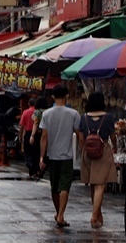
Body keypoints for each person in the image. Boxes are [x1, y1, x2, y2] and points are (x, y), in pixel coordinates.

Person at [38, 85, 81, 228]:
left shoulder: (46, 114)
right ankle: (61, 214)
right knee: (65, 186)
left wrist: (42, 157)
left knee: (54, 187)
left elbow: (44, 136)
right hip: (67, 156)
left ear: (52, 97)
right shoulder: (74, 114)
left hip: (52, 155)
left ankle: (59, 213)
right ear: (67, 96)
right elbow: (79, 133)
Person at [78, 92, 118, 228]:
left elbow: (81, 138)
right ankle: (94, 217)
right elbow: (113, 136)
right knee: (100, 185)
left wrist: (83, 149)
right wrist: (115, 148)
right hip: (103, 150)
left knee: (93, 184)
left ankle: (98, 214)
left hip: (88, 152)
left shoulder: (83, 118)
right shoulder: (108, 118)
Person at [18, 97, 38, 177]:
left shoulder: (25, 112)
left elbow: (22, 126)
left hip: (28, 133)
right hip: (36, 134)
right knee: (35, 152)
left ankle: (30, 164)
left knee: (27, 152)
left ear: (29, 104)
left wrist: (20, 136)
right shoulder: (37, 112)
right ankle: (34, 168)